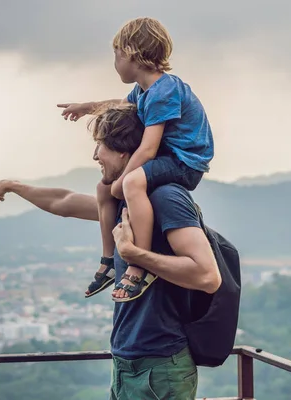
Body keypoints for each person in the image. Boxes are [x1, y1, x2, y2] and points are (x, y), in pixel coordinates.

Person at [0, 104, 221, 400]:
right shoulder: (128, 202)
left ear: (124, 153)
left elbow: (207, 276)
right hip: (128, 360)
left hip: (160, 365)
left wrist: (133, 254)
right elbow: (64, 202)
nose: (94, 156)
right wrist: (13, 186)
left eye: (99, 146)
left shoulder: (165, 197)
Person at [57, 17, 215, 302]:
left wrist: (123, 181)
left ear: (130, 53)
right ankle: (108, 261)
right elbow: (121, 105)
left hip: (184, 163)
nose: (115, 63)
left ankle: (138, 264)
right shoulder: (144, 91)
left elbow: (148, 149)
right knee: (103, 188)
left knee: (128, 185)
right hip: (170, 158)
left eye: (116, 55)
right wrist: (86, 107)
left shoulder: (163, 91)